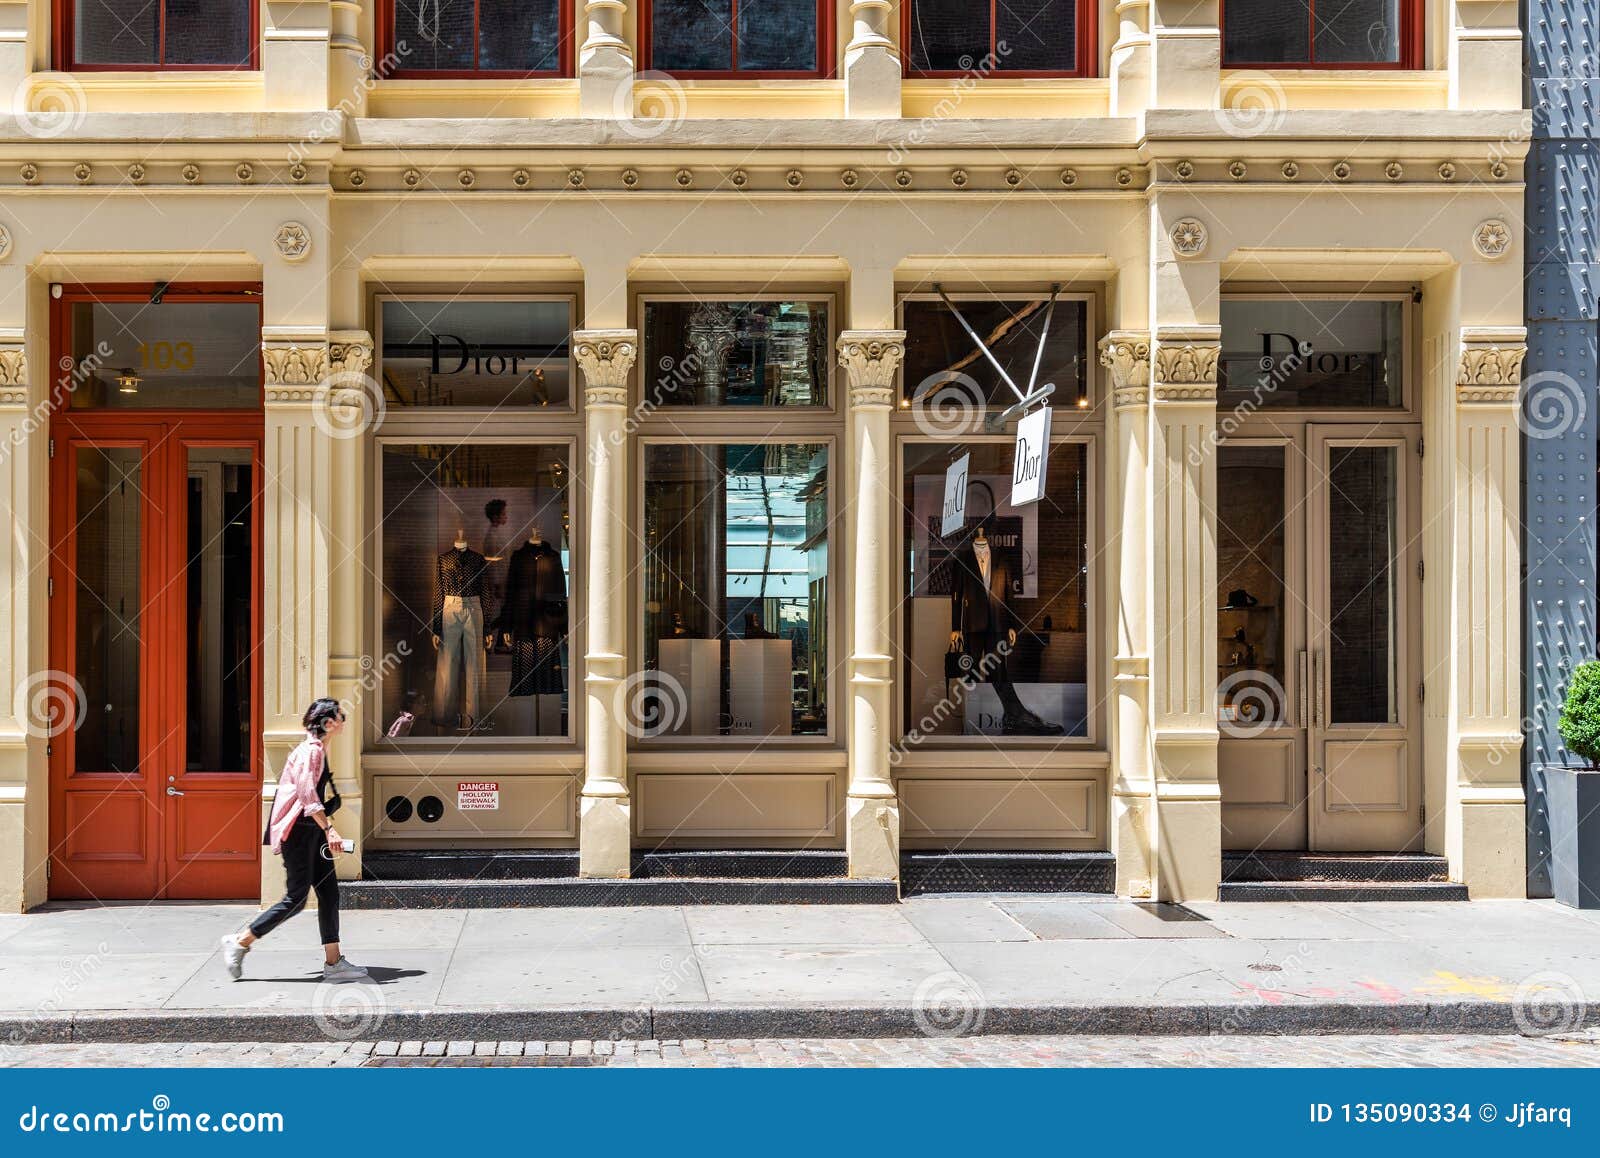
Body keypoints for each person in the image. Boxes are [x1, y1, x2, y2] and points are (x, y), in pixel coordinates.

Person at [219, 698, 369, 983]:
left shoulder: (318, 749)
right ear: (328, 723)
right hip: (300, 833)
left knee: (329, 893)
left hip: (310, 831)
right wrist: (329, 829)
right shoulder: (310, 751)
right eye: (341, 716)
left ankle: (334, 963)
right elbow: (307, 795)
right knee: (296, 899)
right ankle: (240, 942)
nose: (344, 720)